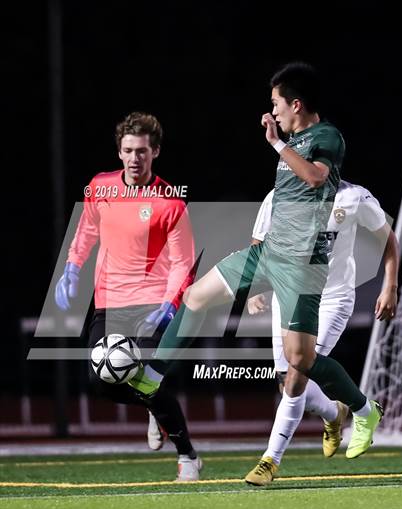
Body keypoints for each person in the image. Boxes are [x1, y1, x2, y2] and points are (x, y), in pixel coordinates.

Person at [127, 62, 383, 474]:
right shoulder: (295, 140)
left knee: (300, 360)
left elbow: (317, 180)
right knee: (196, 296)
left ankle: (362, 408)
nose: (273, 111)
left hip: (303, 265)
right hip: (270, 254)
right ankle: (154, 375)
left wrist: (278, 145)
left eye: (276, 103)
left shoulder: (327, 137)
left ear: (296, 104)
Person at [55, 111, 202, 481]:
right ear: (119, 152)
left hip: (152, 303)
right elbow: (87, 230)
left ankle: (187, 456)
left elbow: (184, 264)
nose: (134, 158)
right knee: (101, 382)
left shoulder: (171, 203)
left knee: (144, 379)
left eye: (142, 151)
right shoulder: (100, 187)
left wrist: (169, 307)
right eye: (128, 150)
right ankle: (154, 410)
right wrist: (72, 266)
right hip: (108, 302)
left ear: (155, 152)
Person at [245, 180, 398, 484]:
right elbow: (258, 243)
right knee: (285, 381)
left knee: (298, 371)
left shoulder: (354, 197)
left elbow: (388, 239)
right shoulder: (278, 195)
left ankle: (270, 460)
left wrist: (390, 286)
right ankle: (334, 413)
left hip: (333, 298)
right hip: (288, 296)